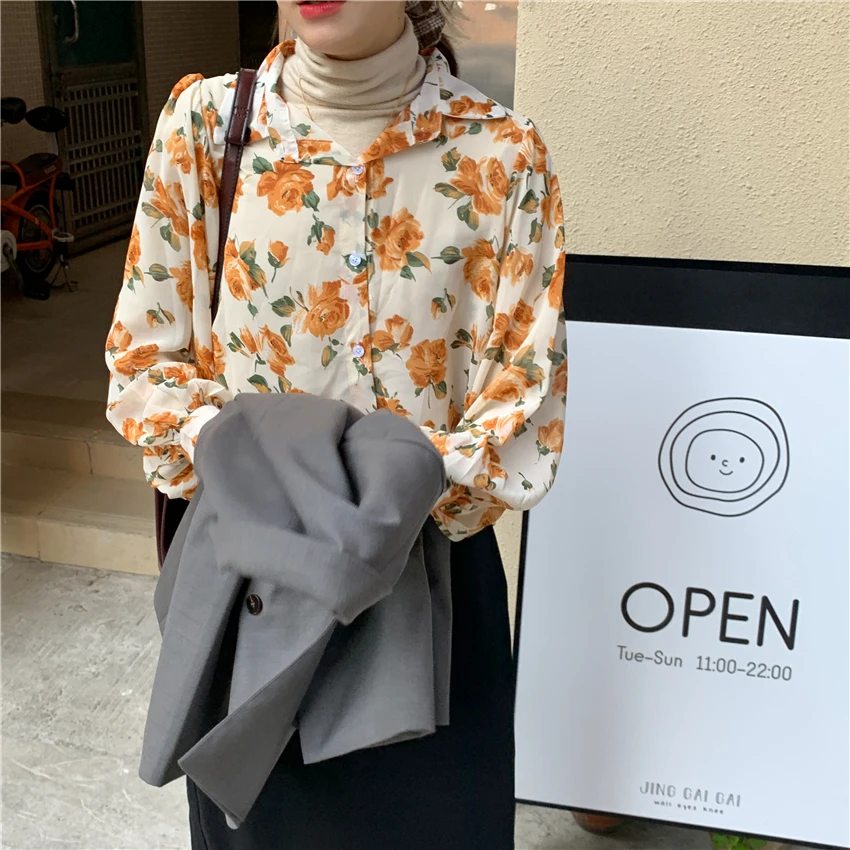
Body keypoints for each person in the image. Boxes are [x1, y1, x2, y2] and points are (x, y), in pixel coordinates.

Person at [105, 1, 567, 847]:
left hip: (429, 577)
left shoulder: (502, 152)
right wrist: (251, 457)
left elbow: (524, 404)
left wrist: (398, 487)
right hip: (254, 580)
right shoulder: (207, 129)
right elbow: (144, 363)